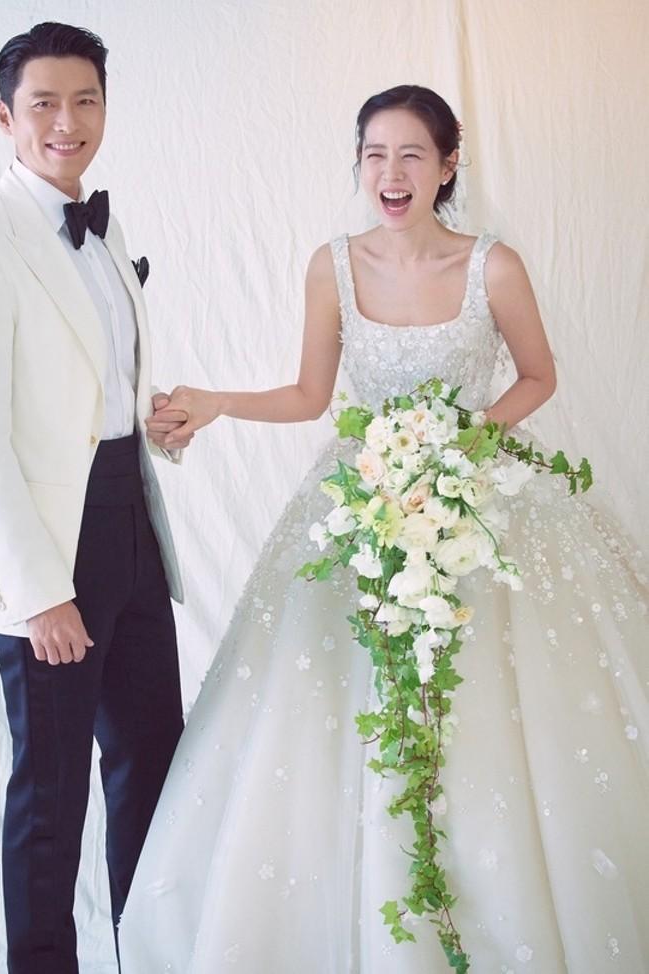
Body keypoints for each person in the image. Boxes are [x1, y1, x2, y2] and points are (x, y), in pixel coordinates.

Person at [117, 85, 649, 972]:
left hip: (476, 491)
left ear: (447, 165)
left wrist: (457, 445)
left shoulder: (493, 267)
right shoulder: (331, 265)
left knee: (492, 698)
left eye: (411, 155)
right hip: (361, 495)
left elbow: (537, 376)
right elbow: (310, 395)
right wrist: (215, 402)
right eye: (374, 154)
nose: (390, 173)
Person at [0, 22, 191, 974]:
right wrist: (39, 592)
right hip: (49, 551)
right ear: (5, 117)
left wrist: (153, 418)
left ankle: (146, 954)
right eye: (43, 103)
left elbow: (88, 388)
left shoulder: (106, 228)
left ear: (105, 109)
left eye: (85, 101)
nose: (66, 121)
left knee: (154, 762)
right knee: (52, 789)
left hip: (131, 527)